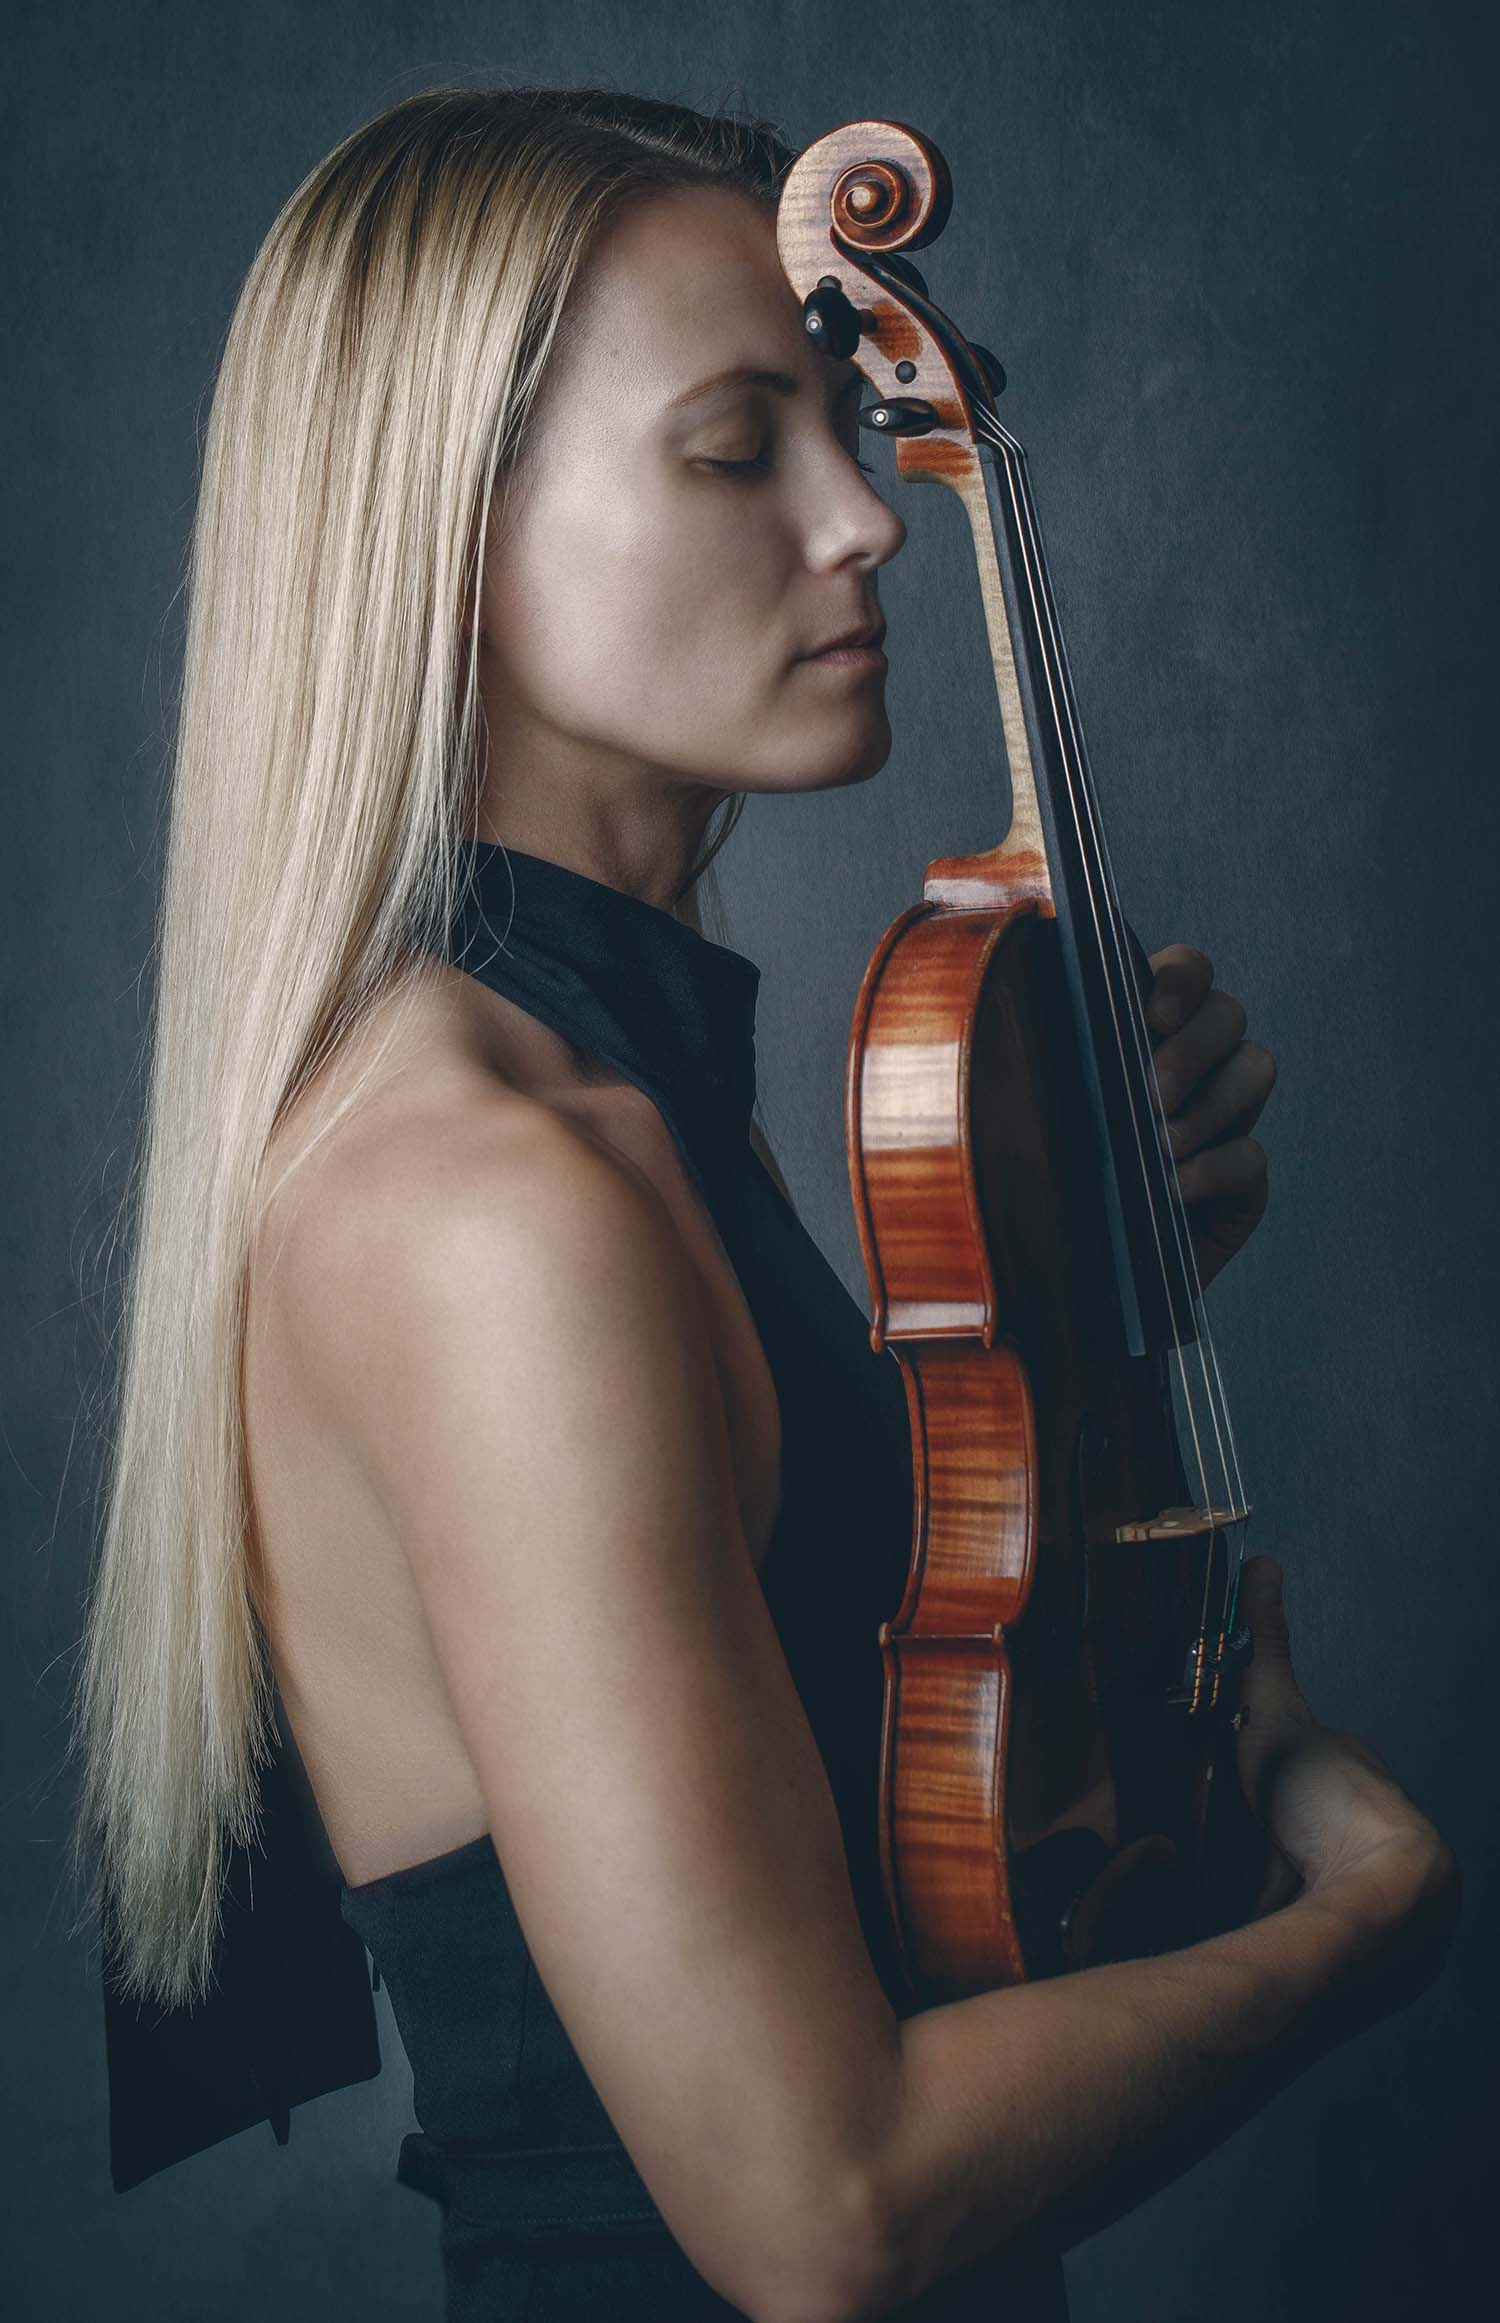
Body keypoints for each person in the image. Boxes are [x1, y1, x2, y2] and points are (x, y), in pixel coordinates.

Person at [67, 84, 1457, 2323]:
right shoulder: (496, 1202)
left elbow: (830, 1766)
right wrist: (1357, 1934)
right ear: (445, 539)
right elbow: (827, 2210)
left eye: (849, 421)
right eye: (740, 448)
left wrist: (1073, 1346)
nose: (873, 520)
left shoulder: (603, 1101)